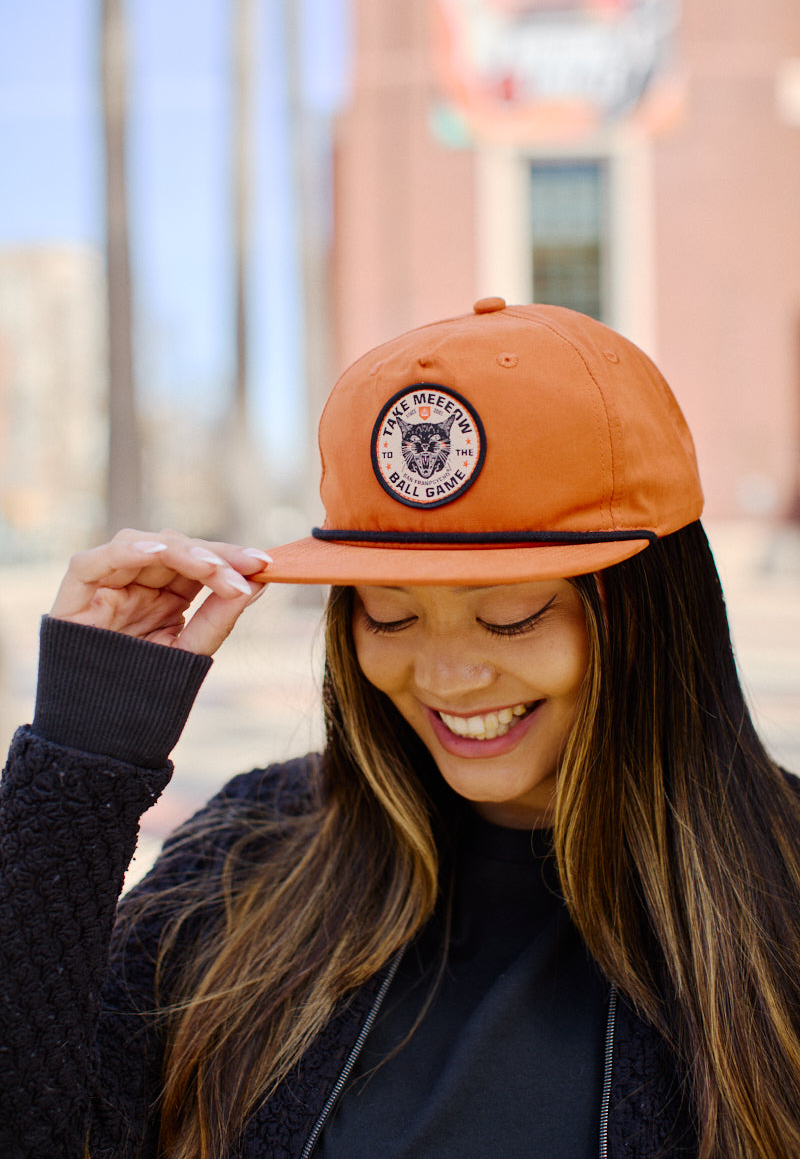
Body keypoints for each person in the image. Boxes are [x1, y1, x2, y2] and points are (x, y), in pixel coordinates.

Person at [2, 297, 800, 1159]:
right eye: (389, 615)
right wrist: (82, 761)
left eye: (512, 615)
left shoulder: (780, 893)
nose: (447, 678)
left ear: (655, 611)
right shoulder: (250, 853)